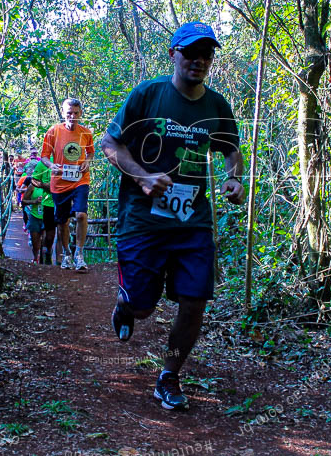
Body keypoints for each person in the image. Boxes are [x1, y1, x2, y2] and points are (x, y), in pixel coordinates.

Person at [99, 22, 245, 411]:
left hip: (192, 221)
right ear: (173, 55)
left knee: (194, 300)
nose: (198, 60)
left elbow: (231, 150)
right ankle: (126, 303)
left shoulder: (216, 106)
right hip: (143, 220)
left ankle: (169, 376)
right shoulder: (148, 95)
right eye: (190, 52)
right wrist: (143, 176)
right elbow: (110, 143)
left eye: (206, 53)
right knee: (144, 308)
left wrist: (233, 178)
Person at [41, 99, 94, 271]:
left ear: (81, 114)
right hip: (60, 181)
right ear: (63, 113)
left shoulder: (86, 132)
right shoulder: (53, 131)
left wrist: (87, 161)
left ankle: (79, 254)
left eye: (76, 113)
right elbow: (44, 156)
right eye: (69, 113)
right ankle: (66, 255)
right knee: (62, 221)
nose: (72, 116)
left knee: (80, 215)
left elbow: (91, 152)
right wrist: (51, 165)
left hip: (80, 179)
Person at [30, 157, 58, 264]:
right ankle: (38, 257)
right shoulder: (43, 163)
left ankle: (49, 253)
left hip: (59, 203)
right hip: (46, 205)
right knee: (38, 236)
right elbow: (34, 180)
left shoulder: (65, 158)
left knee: (51, 236)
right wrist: (45, 186)